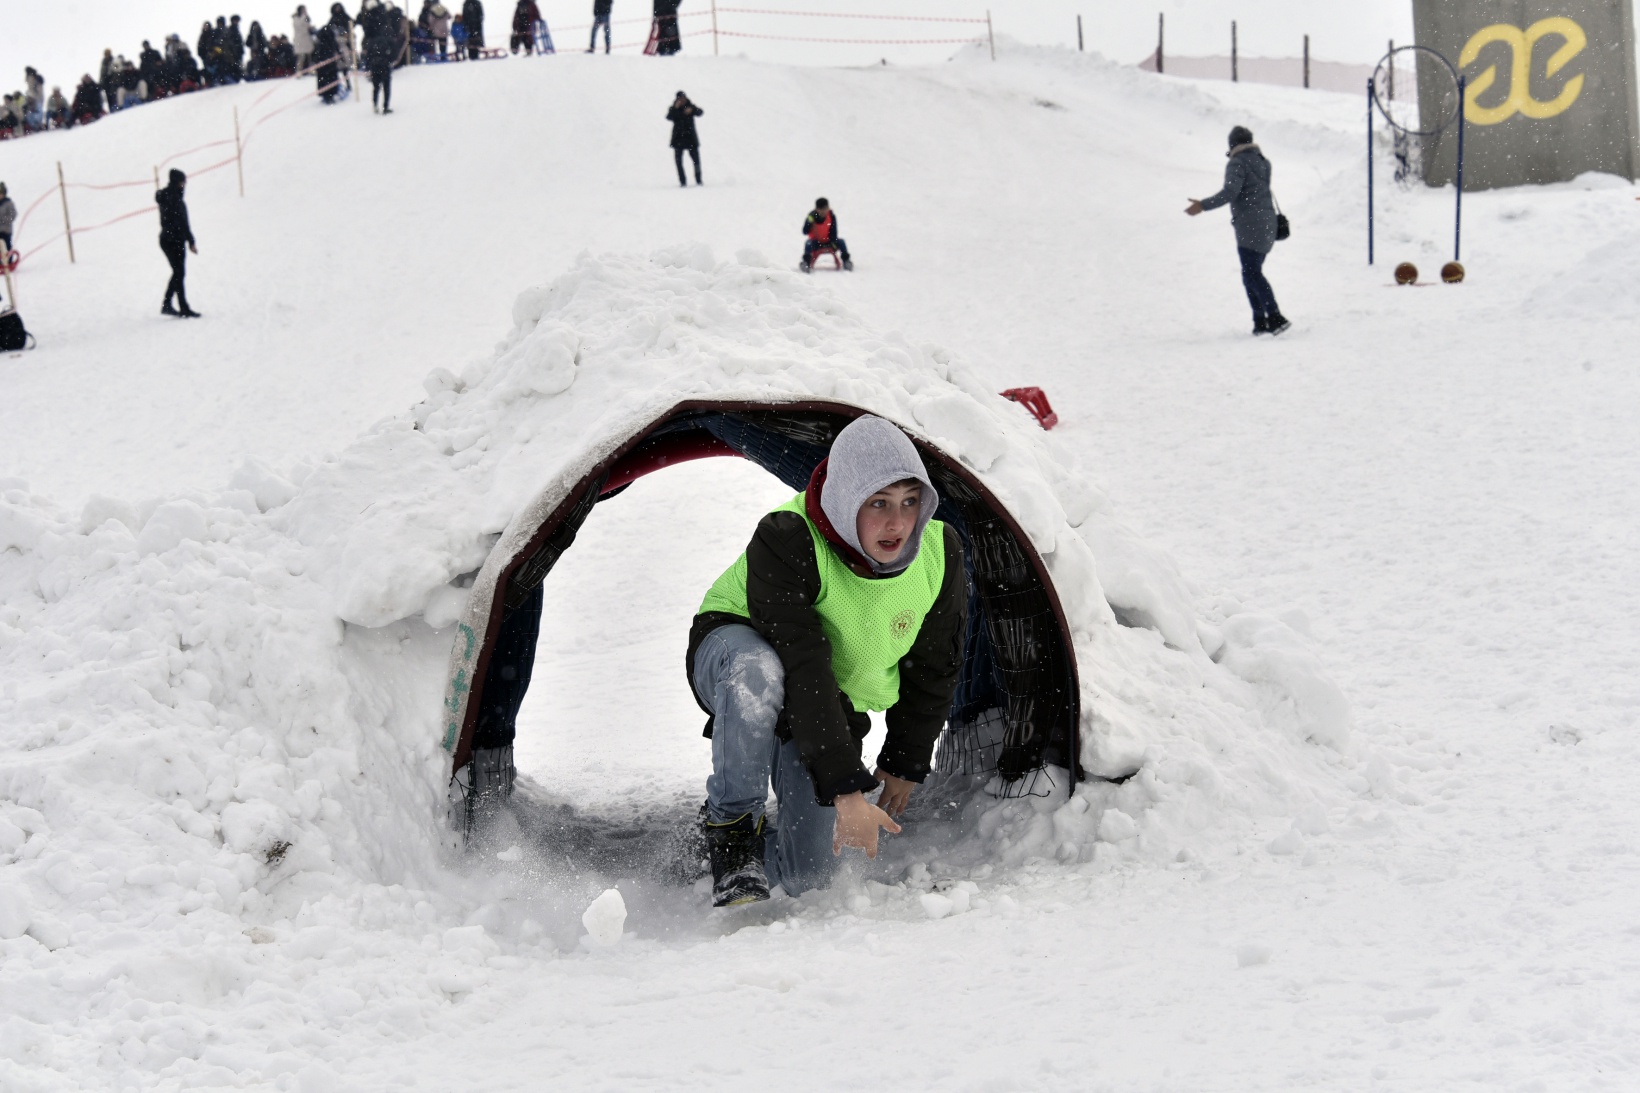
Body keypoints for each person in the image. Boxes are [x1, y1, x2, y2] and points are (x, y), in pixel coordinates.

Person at [687, 415, 966, 906]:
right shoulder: (788, 536)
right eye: (878, 502)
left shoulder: (938, 552)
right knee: (758, 673)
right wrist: (846, 790)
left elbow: (934, 665)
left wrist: (903, 760)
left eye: (909, 501)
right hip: (737, 650)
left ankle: (726, 857)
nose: (897, 523)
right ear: (845, 500)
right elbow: (803, 663)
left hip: (823, 695)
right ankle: (732, 834)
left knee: (811, 877)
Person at [1186, 125, 1290, 336]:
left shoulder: (1237, 163)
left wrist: (1203, 205)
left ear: (1232, 144)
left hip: (1250, 226)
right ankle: (1260, 322)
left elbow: (1230, 193)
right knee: (1250, 273)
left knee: (1252, 273)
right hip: (1268, 223)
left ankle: (1275, 317)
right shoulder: (1263, 161)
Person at [156, 170, 200, 318]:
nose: (184, 184)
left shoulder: (165, 197)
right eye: (182, 182)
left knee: (178, 272)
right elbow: (183, 224)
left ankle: (168, 304)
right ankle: (180, 307)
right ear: (177, 182)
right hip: (175, 240)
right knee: (179, 272)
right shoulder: (176, 200)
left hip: (165, 239)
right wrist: (191, 241)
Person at [800, 197, 853, 273]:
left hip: (829, 241)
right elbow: (805, 231)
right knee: (808, 243)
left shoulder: (831, 216)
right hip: (816, 242)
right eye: (821, 209)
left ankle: (846, 261)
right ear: (817, 209)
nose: (823, 212)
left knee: (841, 242)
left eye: (825, 209)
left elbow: (834, 231)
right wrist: (809, 222)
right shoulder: (811, 217)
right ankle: (806, 263)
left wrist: (833, 242)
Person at [359, 0, 395, 111]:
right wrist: (391, 57)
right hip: (384, 57)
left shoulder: (369, 22)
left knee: (376, 85)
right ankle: (385, 106)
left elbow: (367, 46)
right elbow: (391, 43)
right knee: (386, 84)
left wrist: (368, 61)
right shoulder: (385, 22)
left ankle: (375, 104)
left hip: (374, 57)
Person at [666, 90, 702, 187]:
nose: (682, 100)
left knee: (696, 161)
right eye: (680, 99)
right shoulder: (674, 108)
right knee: (679, 162)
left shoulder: (690, 106)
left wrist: (692, 110)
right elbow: (669, 117)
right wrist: (675, 108)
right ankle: (683, 181)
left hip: (691, 138)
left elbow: (700, 112)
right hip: (678, 139)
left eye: (683, 98)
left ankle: (698, 180)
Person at [312, 24, 341, 102]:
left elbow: (315, 54)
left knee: (324, 80)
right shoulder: (332, 41)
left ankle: (326, 95)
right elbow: (337, 50)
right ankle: (330, 95)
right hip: (330, 64)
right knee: (331, 79)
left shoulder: (319, 42)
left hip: (322, 65)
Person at [293, 5, 315, 70]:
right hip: (301, 39)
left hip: (306, 39)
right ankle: (299, 70)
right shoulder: (297, 18)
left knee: (309, 56)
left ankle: (310, 69)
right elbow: (301, 27)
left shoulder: (305, 17)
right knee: (301, 57)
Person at [0, 183, 16, 252]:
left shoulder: (8, 203)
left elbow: (13, 215)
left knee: (6, 245)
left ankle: (8, 256)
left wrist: (3, 219)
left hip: (5, 230)